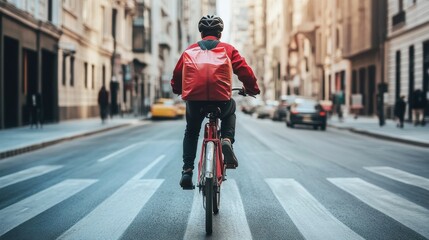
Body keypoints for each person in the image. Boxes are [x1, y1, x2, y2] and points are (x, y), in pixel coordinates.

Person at [171, 15, 260, 189]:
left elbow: (177, 75)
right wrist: (252, 89)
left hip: (195, 102)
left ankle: (187, 171)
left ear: (201, 32)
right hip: (221, 100)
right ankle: (226, 139)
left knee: (191, 132)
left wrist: (177, 89)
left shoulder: (189, 50)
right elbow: (245, 71)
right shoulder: (228, 49)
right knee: (231, 108)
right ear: (219, 33)